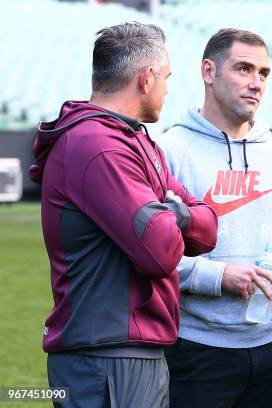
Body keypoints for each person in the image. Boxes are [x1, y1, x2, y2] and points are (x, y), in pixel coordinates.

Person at [29, 22, 218, 407]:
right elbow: (161, 252)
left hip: (131, 352)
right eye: (166, 77)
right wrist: (179, 215)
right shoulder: (98, 146)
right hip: (108, 357)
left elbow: (208, 229)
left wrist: (178, 216)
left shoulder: (135, 141)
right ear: (146, 78)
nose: (168, 87)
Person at [157, 28, 272, 408]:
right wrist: (217, 277)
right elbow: (146, 254)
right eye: (244, 69)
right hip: (195, 348)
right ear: (208, 72)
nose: (256, 83)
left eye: (263, 73)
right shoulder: (166, 152)